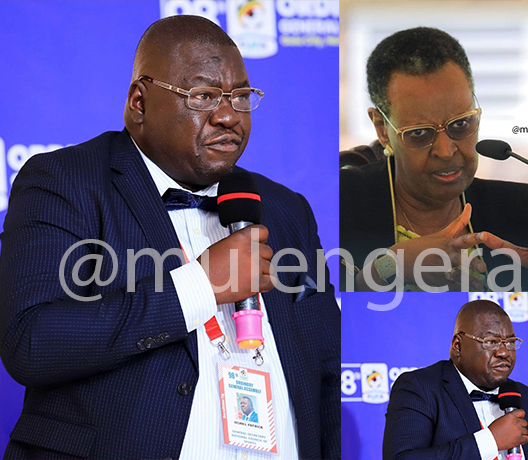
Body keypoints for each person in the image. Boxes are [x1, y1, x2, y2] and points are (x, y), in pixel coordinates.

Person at [0, 15, 339, 460]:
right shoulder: (65, 182)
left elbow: (326, 371)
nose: (228, 116)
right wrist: (200, 286)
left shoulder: (285, 209)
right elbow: (31, 341)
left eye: (240, 97)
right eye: (203, 96)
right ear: (139, 102)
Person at [340, 27, 528, 292]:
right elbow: (320, 308)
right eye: (419, 133)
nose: (446, 150)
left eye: (460, 124)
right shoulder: (339, 202)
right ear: (382, 129)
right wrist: (389, 267)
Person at [383, 299, 528, 460]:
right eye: (491, 341)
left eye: (511, 342)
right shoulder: (420, 388)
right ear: (458, 345)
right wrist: (490, 441)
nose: (504, 352)